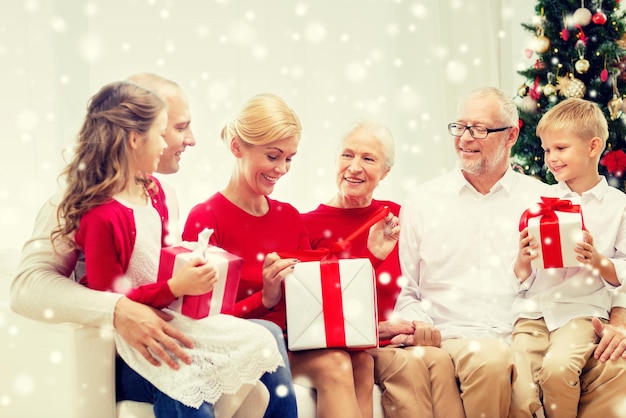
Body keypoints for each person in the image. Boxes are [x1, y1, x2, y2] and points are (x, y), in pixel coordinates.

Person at [11, 73, 299, 418]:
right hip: (117, 352)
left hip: (164, 325)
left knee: (265, 335)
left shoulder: (162, 196)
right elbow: (27, 287)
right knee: (185, 370)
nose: (191, 139)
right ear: (138, 135)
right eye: (179, 127)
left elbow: (157, 277)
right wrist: (118, 309)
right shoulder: (78, 203)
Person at [393, 86, 626, 418]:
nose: (464, 138)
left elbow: (566, 276)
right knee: (499, 367)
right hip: (462, 335)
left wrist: (619, 322)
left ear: (512, 135)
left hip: (527, 327)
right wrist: (418, 326)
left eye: (479, 129)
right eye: (459, 127)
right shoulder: (422, 201)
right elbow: (406, 290)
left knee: (611, 367)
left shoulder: (545, 200)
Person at [182, 93, 374, 418]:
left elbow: (316, 295)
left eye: (289, 158)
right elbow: (199, 322)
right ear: (237, 148)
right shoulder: (206, 218)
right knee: (337, 365)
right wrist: (265, 299)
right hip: (247, 347)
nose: (282, 169)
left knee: (363, 360)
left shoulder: (288, 216)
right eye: (273, 156)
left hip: (295, 341)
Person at [301, 117, 464, 418]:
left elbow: (423, 284)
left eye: (368, 158)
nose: (354, 167)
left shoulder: (398, 218)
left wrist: (416, 324)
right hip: (363, 344)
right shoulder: (306, 225)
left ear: (386, 171)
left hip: (399, 337)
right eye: (347, 155)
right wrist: (378, 330)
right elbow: (312, 313)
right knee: (412, 365)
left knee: (440, 362)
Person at [509, 98, 626, 417]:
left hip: (582, 311)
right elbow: (521, 275)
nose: (551, 158)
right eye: (546, 150)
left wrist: (597, 261)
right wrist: (523, 258)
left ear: (593, 147)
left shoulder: (617, 206)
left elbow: (625, 272)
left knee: (557, 371)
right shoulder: (539, 201)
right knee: (518, 387)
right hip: (532, 312)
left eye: (560, 148)